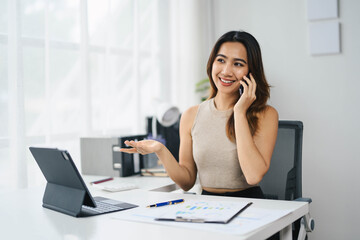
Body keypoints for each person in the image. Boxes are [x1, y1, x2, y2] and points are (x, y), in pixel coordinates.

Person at [120, 30, 278, 199]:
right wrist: (160, 150)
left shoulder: (265, 115)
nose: (226, 71)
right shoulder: (190, 115)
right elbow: (187, 182)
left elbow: (253, 176)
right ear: (212, 63)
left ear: (251, 72)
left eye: (238, 64)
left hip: (251, 206)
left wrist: (239, 112)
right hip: (207, 205)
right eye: (221, 60)